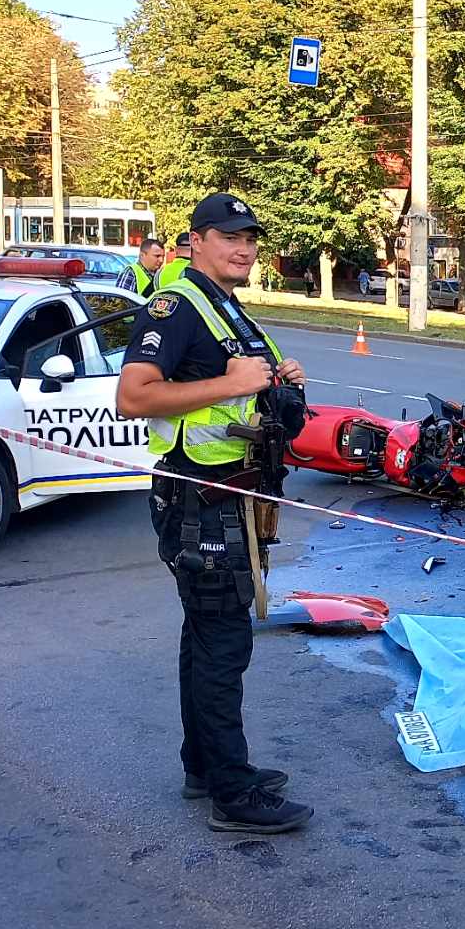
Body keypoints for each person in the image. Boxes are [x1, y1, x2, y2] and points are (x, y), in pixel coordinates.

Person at [115, 192, 314, 835]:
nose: (245, 247)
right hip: (198, 498)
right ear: (195, 240)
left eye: (251, 237)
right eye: (229, 236)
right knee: (223, 645)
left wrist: (282, 381)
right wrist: (233, 384)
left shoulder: (228, 310)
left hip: (229, 496)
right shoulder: (175, 308)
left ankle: (205, 766)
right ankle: (233, 792)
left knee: (204, 640)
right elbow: (133, 396)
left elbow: (254, 397)